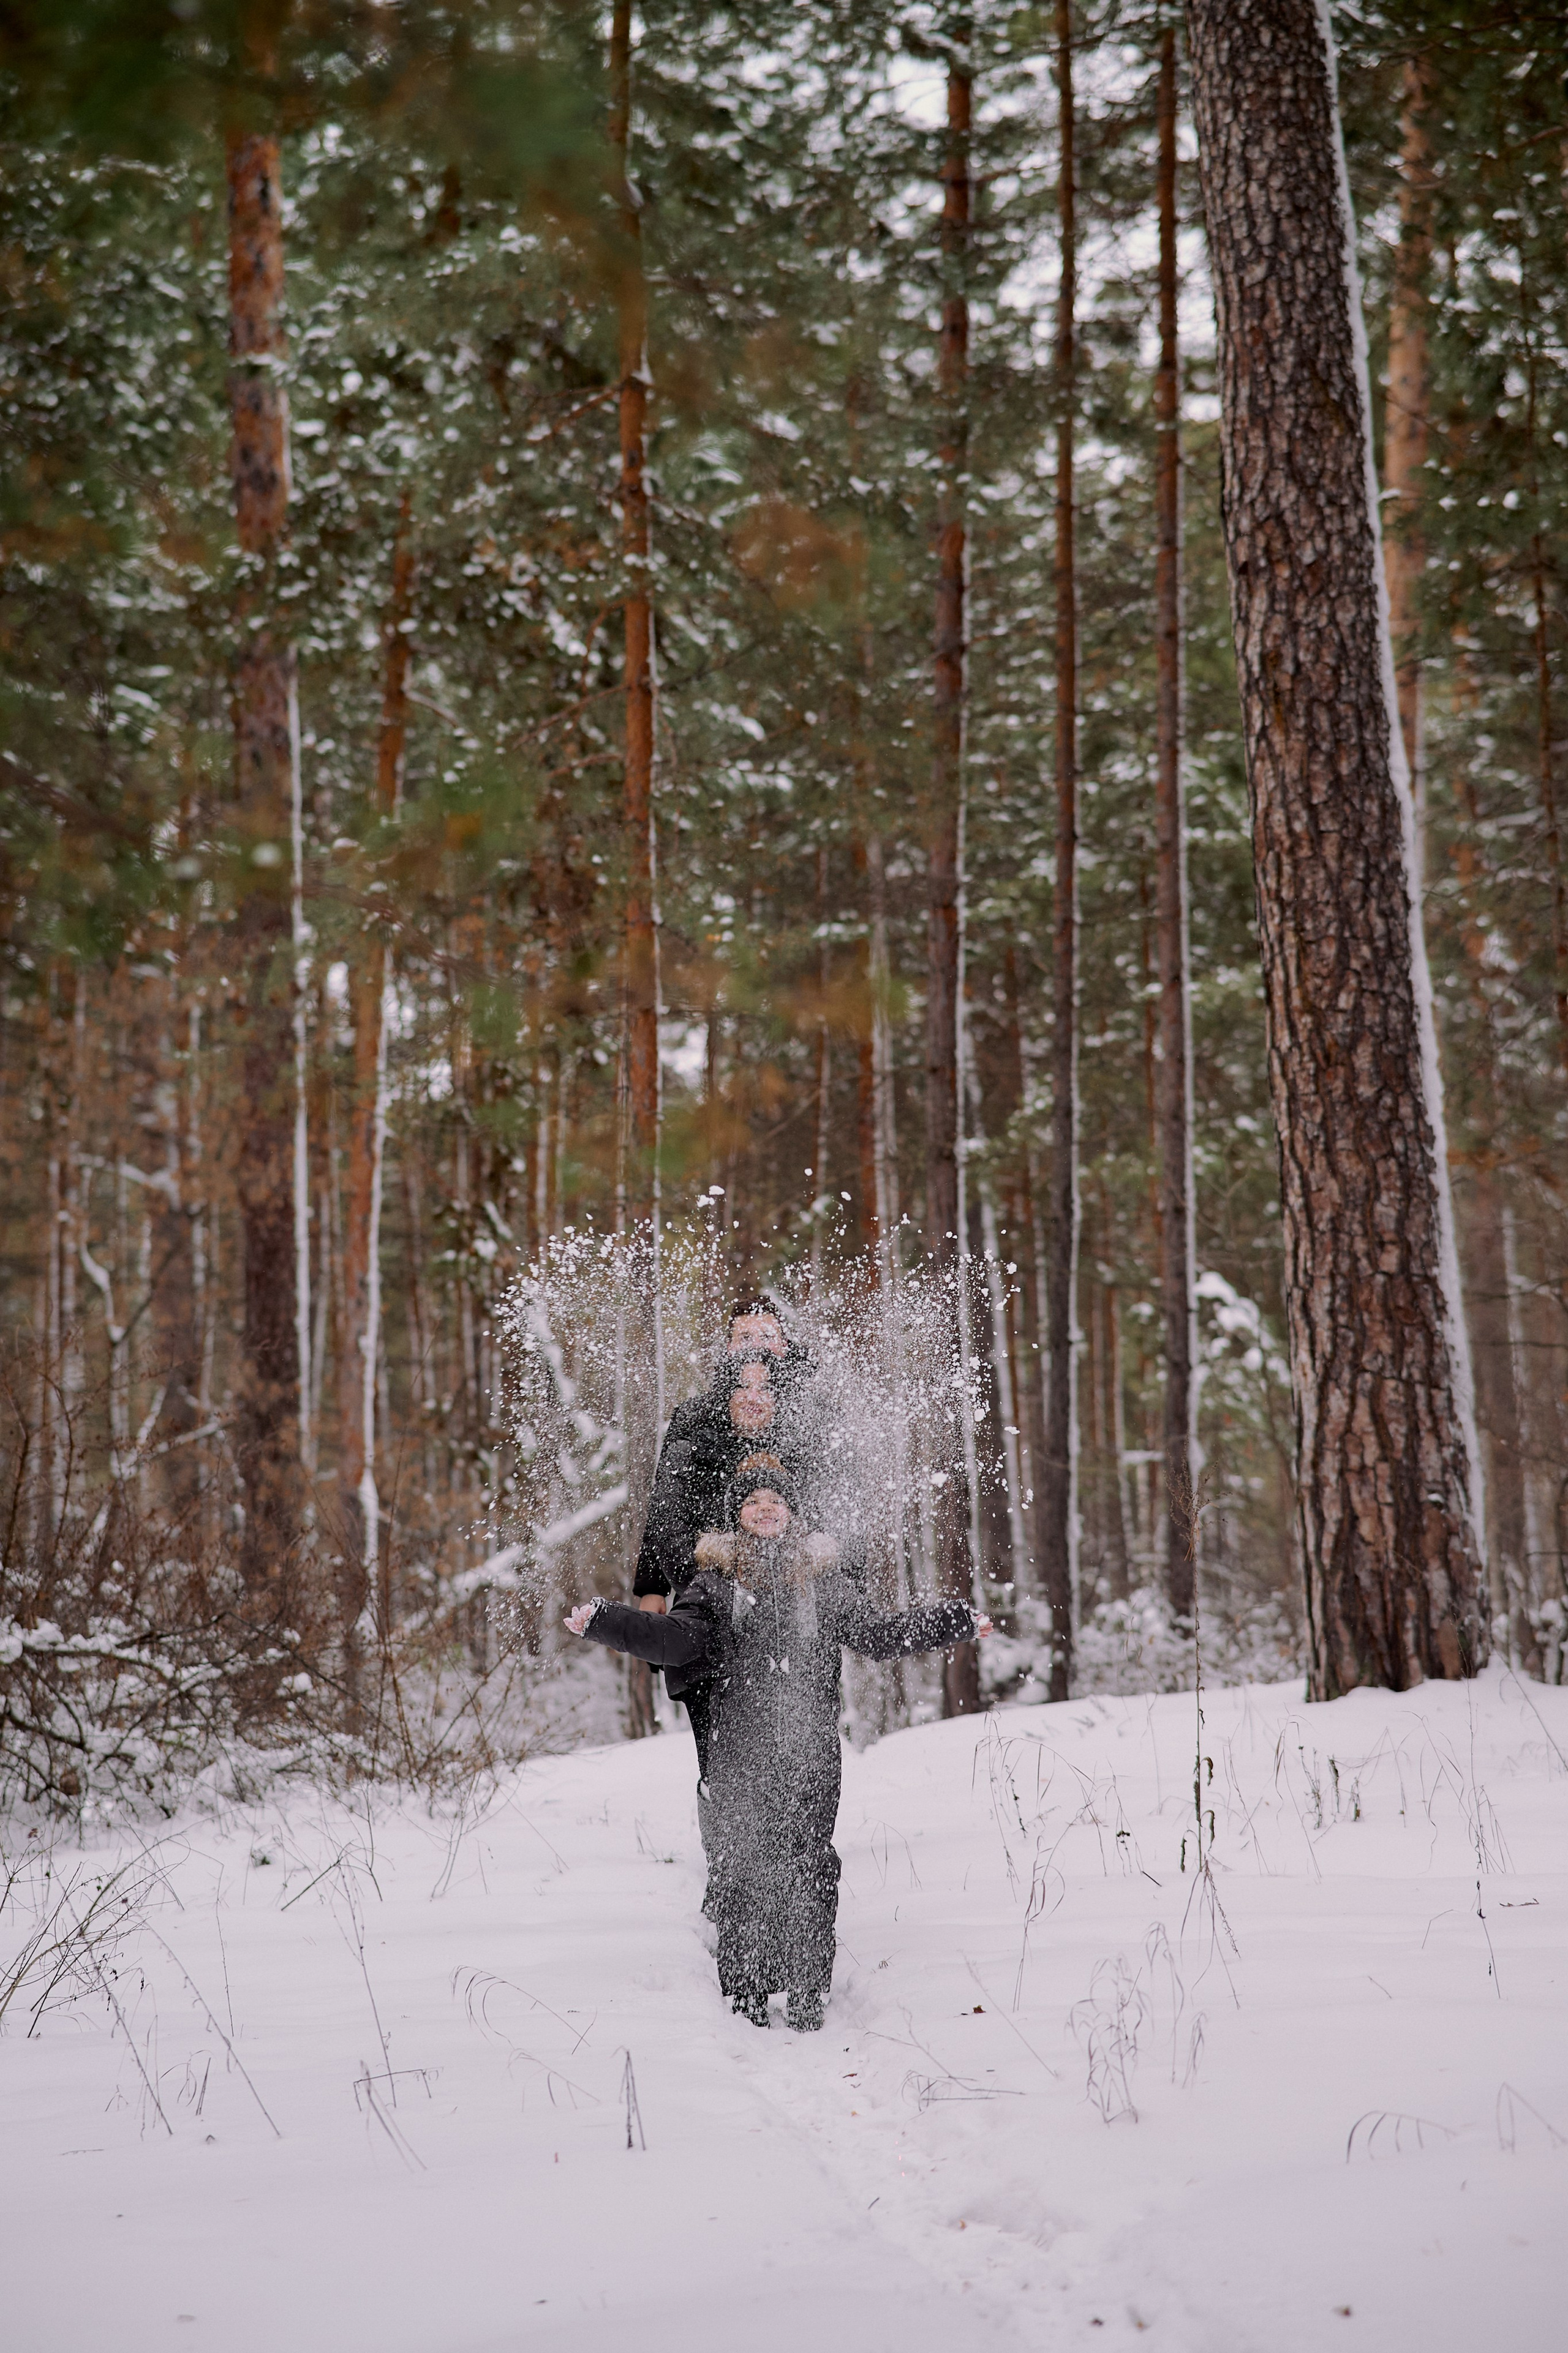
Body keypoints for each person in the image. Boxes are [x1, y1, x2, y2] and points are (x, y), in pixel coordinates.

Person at [567, 1459, 990, 2031]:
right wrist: (605, 1621)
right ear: (737, 1518)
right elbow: (673, 1640)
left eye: (775, 1501)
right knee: (742, 1868)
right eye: (752, 1502)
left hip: (811, 1748)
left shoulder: (823, 1581)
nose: (766, 1509)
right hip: (736, 1747)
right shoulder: (712, 1584)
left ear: (792, 1514)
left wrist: (955, 1620)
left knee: (810, 1863)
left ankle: (809, 1989)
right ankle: (745, 1992)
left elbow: (881, 1636)